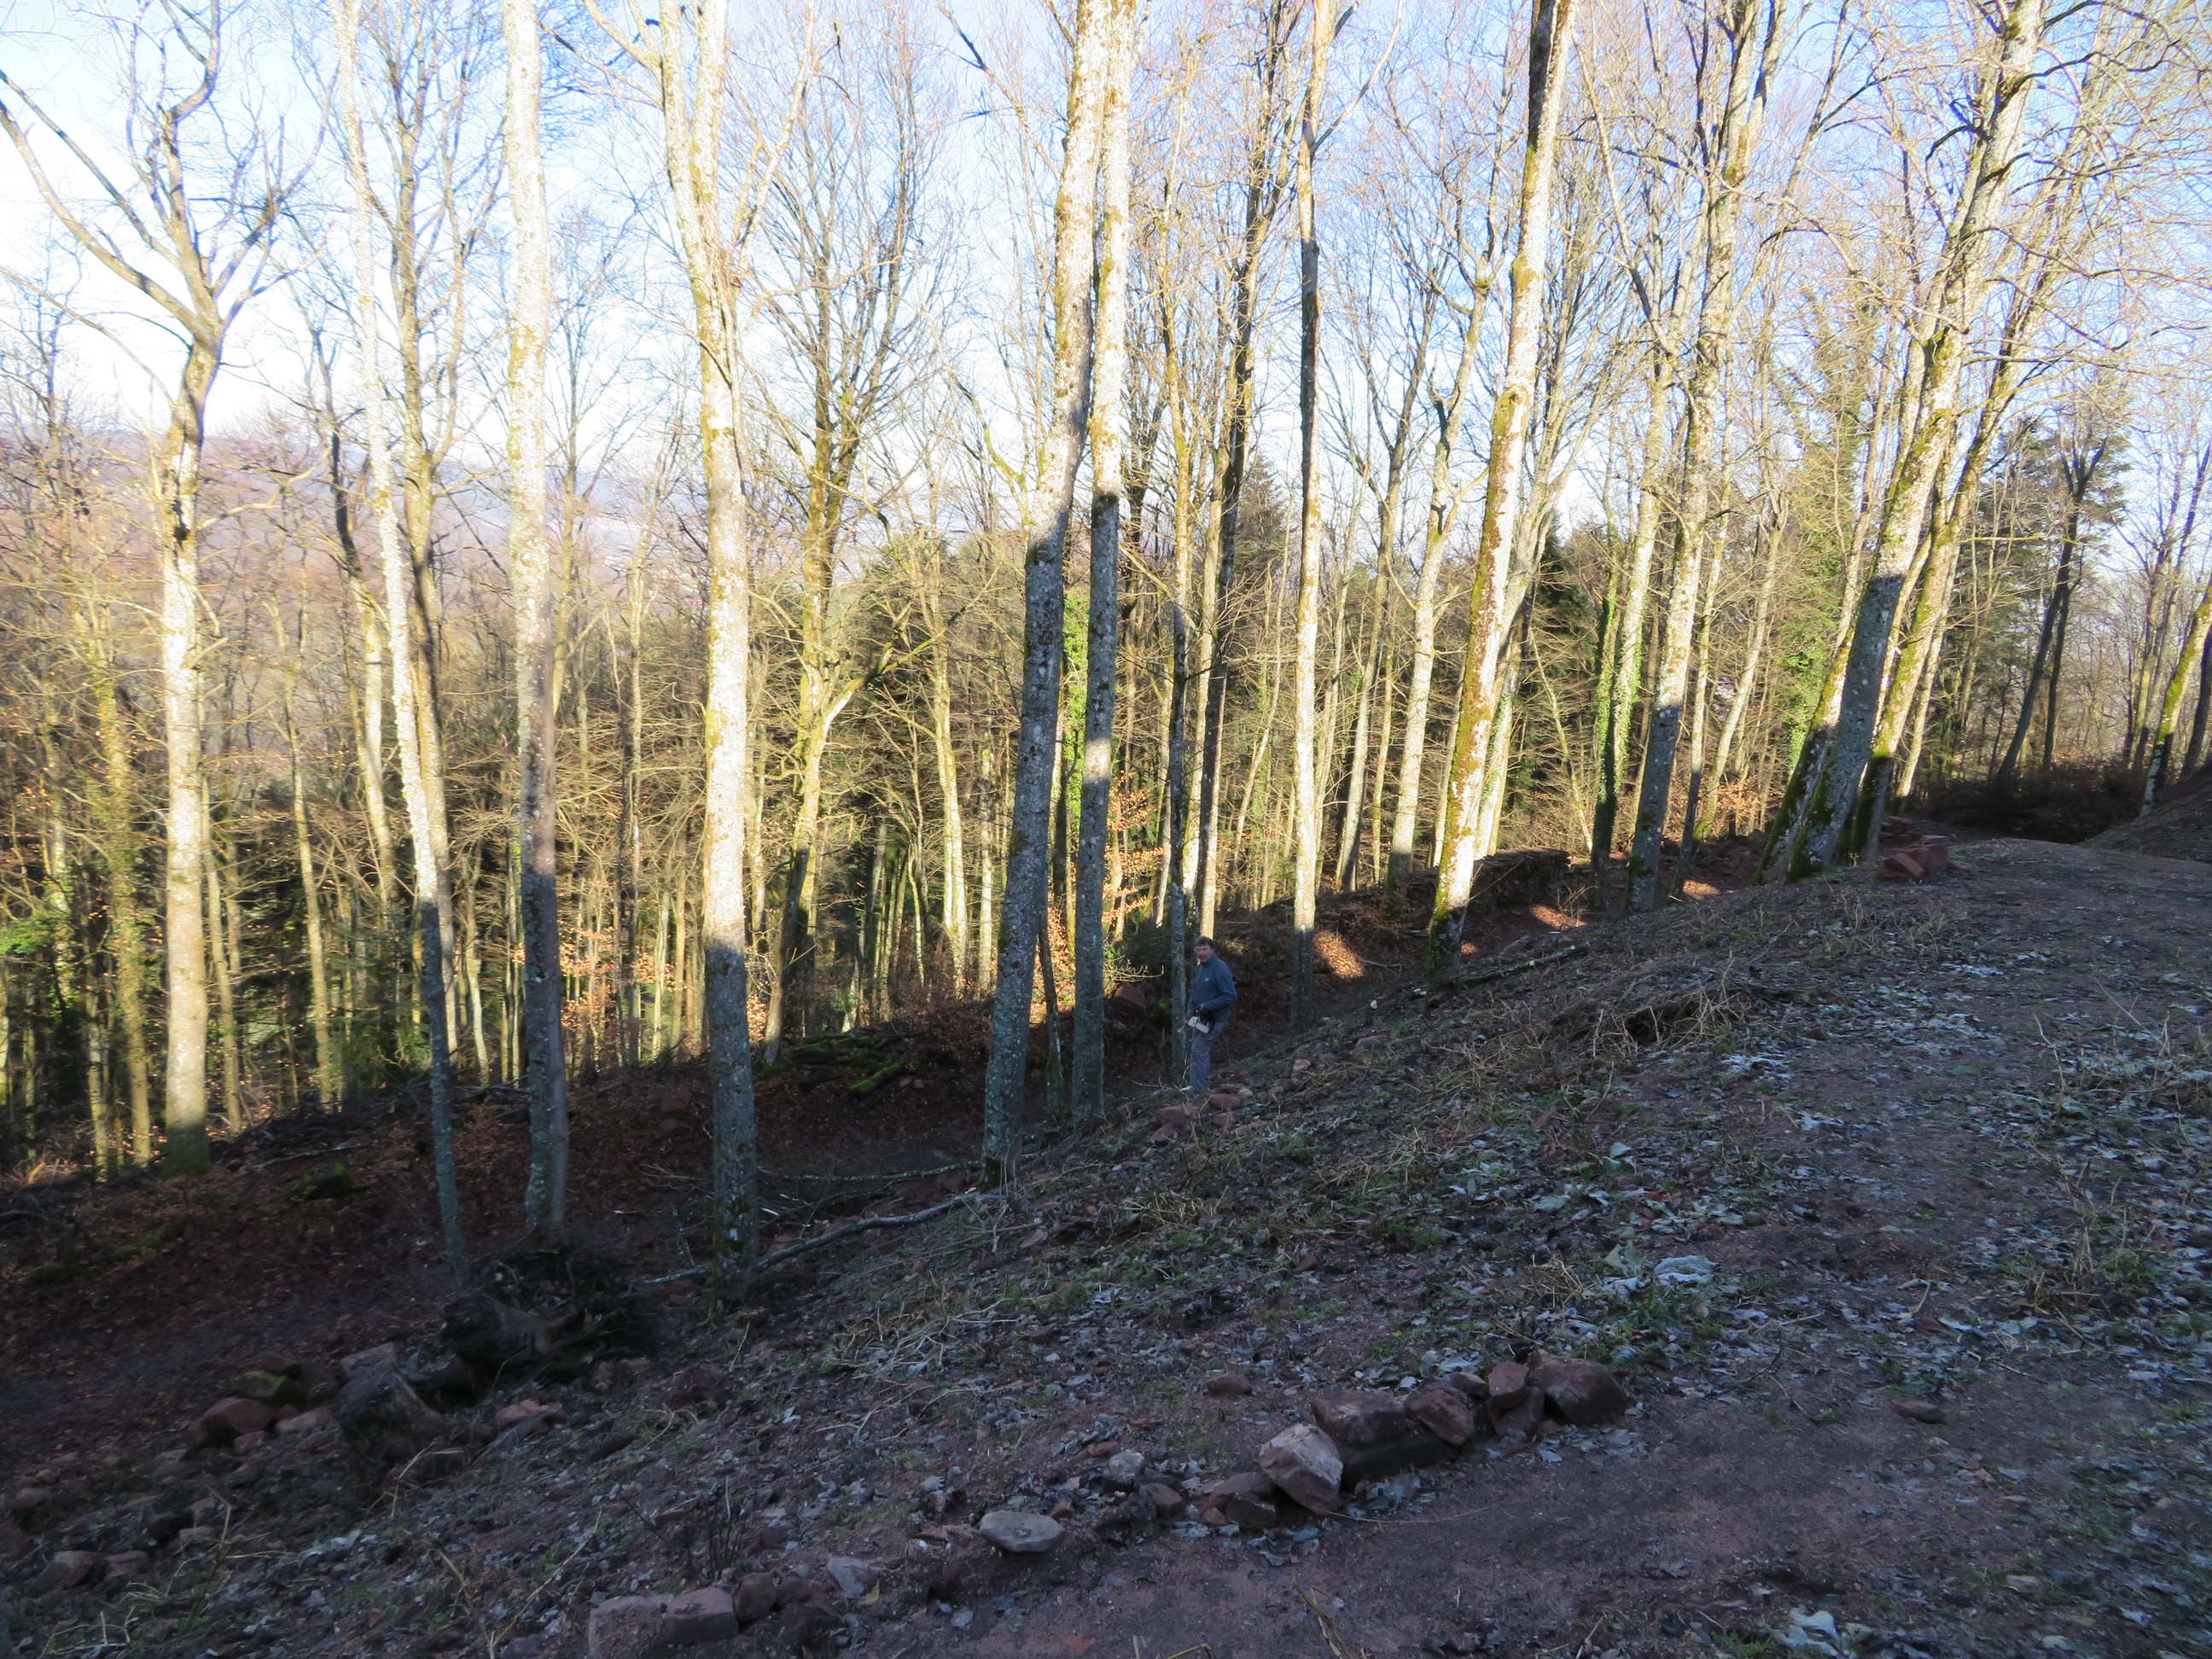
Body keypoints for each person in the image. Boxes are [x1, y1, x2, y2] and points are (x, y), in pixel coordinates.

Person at [1185, 935, 1237, 1094]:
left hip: (1216, 1019)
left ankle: (1198, 1090)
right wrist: (1190, 1008)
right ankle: (1203, 1083)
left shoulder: (1220, 969)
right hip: (1200, 1018)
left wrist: (1208, 1006)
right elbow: (1195, 992)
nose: (1202, 953)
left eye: (1205, 949)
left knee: (1198, 1049)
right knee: (1198, 1048)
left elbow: (1230, 996)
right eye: (1199, 950)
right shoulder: (1200, 968)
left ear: (1212, 950)